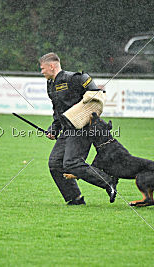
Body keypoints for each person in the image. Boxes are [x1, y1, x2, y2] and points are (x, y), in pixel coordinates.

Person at [39, 52, 118, 205]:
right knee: (55, 163)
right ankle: (74, 198)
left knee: (71, 163)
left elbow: (95, 93)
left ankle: (108, 182)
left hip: (82, 128)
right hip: (67, 129)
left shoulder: (73, 78)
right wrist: (54, 129)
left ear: (52, 66)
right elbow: (57, 110)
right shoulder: (51, 84)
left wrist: (84, 107)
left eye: (43, 68)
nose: (41, 72)